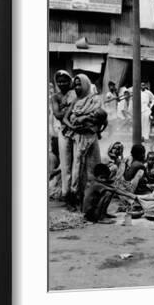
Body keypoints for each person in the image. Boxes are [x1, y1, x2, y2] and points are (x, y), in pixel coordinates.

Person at [63, 74, 102, 207]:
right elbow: (65, 118)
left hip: (90, 138)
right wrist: (72, 126)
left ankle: (91, 201)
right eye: (76, 84)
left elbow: (100, 117)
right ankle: (76, 199)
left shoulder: (94, 99)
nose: (77, 87)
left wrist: (84, 119)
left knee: (92, 168)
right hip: (78, 138)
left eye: (80, 84)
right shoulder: (75, 101)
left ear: (86, 84)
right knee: (78, 168)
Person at [51, 70, 77, 203]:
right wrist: (71, 111)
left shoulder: (75, 93)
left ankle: (77, 191)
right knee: (66, 164)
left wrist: (65, 111)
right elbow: (57, 115)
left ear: (70, 81)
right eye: (59, 81)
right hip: (64, 132)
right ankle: (67, 194)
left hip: (77, 131)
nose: (62, 83)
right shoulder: (55, 97)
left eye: (65, 81)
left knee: (77, 163)